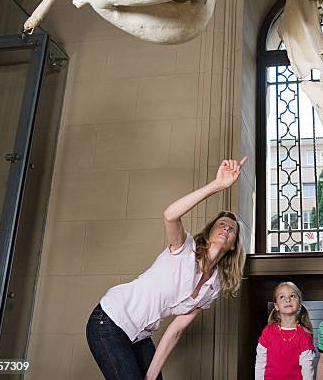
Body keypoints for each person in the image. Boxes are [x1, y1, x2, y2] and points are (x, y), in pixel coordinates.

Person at [86, 157, 248, 380]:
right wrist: (217, 185)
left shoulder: (214, 286)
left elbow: (175, 331)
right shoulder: (185, 248)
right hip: (110, 321)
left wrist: (151, 377)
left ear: (232, 246)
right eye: (221, 224)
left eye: (232, 229)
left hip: (140, 335)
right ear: (210, 231)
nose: (226, 229)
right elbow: (170, 214)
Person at [255, 282, 315, 380]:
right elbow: (260, 362)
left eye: (292, 296)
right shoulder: (268, 332)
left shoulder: (304, 335)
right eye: (282, 297)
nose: (288, 300)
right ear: (276, 306)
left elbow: (307, 369)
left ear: (300, 303)